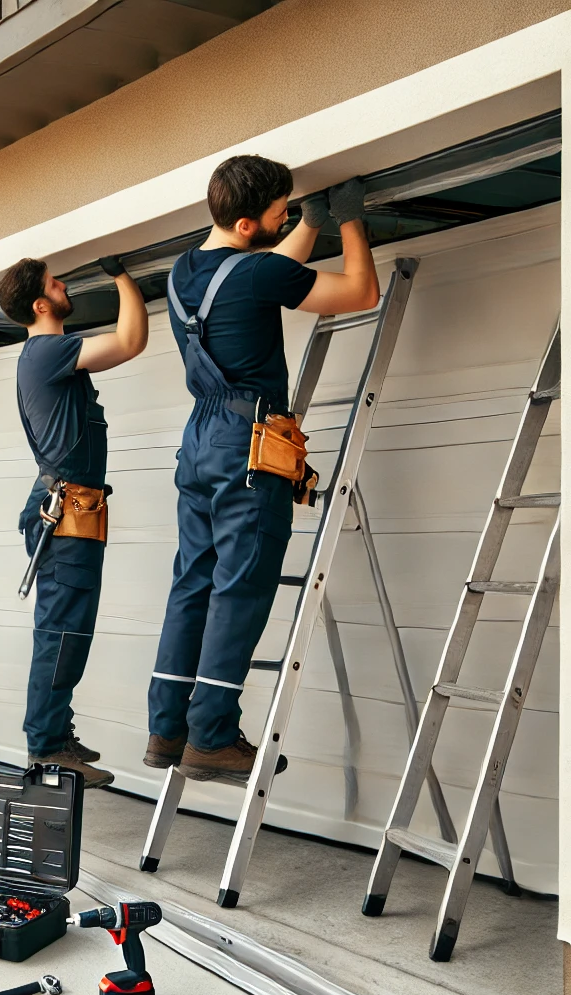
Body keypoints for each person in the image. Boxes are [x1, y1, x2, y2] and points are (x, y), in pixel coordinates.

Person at [145, 155, 380, 783]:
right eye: (282, 214)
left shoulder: (184, 271)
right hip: (248, 441)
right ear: (249, 224)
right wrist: (350, 221)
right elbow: (360, 291)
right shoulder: (252, 275)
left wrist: (310, 220)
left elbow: (269, 270)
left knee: (192, 581)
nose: (288, 221)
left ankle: (168, 729)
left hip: (199, 441)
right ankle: (213, 736)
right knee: (240, 585)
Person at [0, 255, 148, 787]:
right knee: (61, 633)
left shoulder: (51, 354)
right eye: (55, 284)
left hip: (72, 511)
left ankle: (55, 732)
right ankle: (46, 745)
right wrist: (123, 275)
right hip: (65, 515)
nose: (65, 287)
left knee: (68, 631)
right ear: (41, 305)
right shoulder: (49, 350)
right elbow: (131, 341)